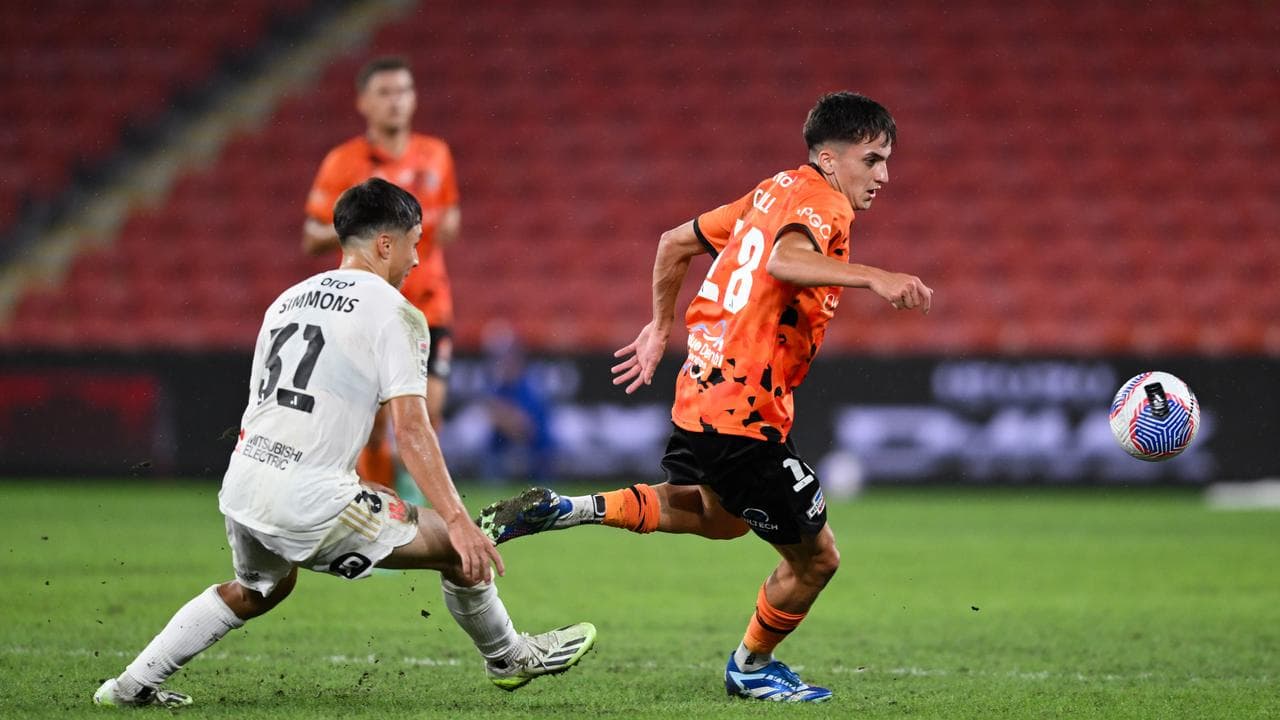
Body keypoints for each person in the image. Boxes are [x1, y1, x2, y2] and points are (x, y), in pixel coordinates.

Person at [477, 92, 931, 703]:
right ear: (829, 159)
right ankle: (752, 665)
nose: (884, 176)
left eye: (886, 161)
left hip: (702, 392)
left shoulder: (771, 192)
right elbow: (786, 260)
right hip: (744, 412)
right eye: (872, 160)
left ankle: (568, 508)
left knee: (721, 519)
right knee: (817, 560)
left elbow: (673, 242)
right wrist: (877, 276)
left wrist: (660, 327)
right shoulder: (824, 203)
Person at [94, 179, 594, 708]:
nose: (417, 259)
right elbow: (412, 430)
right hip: (307, 498)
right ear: (385, 243)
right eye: (414, 243)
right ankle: (508, 656)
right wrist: (457, 519)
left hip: (243, 483)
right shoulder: (396, 313)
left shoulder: (286, 301)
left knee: (261, 589)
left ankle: (127, 687)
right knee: (456, 548)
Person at [303, 56, 459, 497]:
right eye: (385, 93)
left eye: (404, 91)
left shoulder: (436, 154)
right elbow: (312, 236)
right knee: (371, 424)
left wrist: (438, 227)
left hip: (427, 304)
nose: (396, 101)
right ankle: (375, 501)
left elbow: (451, 217)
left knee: (427, 409)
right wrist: (366, 226)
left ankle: (413, 495)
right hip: (368, 307)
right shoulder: (343, 162)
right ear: (363, 103)